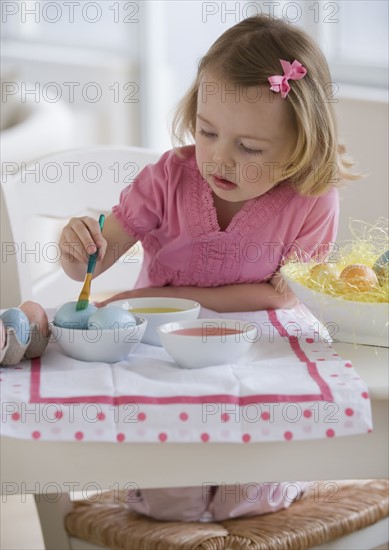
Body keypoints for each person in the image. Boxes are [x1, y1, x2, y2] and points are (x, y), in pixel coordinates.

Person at [59, 15, 358, 521]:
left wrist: (147, 299)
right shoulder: (167, 179)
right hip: (163, 344)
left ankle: (277, 484)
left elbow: (281, 296)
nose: (219, 159)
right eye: (207, 131)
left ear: (301, 147)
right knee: (166, 500)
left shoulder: (312, 197)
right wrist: (78, 248)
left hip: (261, 345)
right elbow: (99, 255)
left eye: (250, 148)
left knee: (250, 494)